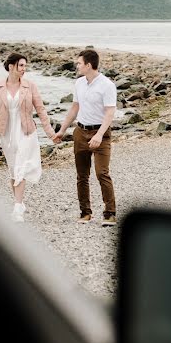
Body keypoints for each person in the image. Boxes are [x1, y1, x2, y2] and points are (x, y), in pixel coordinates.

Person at [53, 49, 117, 226]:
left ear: (89, 65)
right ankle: (85, 212)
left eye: (79, 63)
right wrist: (62, 130)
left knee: (102, 173)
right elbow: (74, 108)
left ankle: (110, 213)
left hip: (101, 134)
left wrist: (99, 135)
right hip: (80, 132)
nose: (77, 66)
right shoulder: (79, 83)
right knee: (82, 176)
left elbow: (110, 113)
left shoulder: (107, 85)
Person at [0, 52, 56, 222]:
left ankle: (18, 208)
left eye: (25, 66)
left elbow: (41, 110)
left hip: (26, 132)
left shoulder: (30, 86)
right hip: (7, 134)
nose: (24, 69)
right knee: (13, 171)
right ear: (11, 66)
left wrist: (50, 133)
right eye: (21, 65)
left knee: (20, 168)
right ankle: (19, 203)